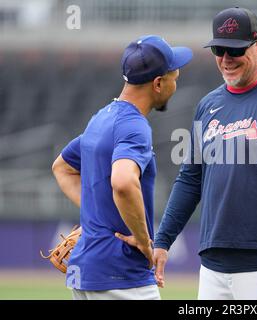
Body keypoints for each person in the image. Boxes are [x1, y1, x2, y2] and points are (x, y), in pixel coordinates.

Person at [153, 7, 257, 300]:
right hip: (213, 268)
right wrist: (163, 240)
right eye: (219, 50)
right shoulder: (208, 105)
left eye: (235, 50)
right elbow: (190, 179)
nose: (226, 59)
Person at [51, 35, 192, 300]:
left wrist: (97, 215)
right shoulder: (134, 126)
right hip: (121, 274)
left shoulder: (101, 118)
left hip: (88, 272)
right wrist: (142, 239)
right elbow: (124, 182)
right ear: (158, 83)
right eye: (175, 75)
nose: (176, 81)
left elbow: (62, 167)